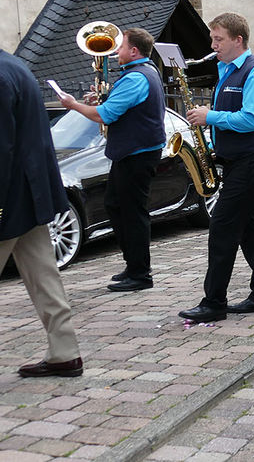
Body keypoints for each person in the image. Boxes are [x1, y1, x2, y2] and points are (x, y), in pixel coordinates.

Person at [179, 13, 254, 323]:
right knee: (251, 229)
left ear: (238, 40)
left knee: (222, 226)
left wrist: (210, 117)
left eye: (218, 39)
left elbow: (252, 119)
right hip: (237, 160)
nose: (212, 45)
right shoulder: (226, 70)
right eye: (212, 39)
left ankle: (214, 303)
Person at [59, 28, 166, 292]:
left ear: (134, 51)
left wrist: (73, 105)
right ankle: (133, 266)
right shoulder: (144, 72)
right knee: (116, 206)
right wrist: (100, 99)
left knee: (132, 212)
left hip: (136, 154)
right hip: (132, 152)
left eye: (120, 47)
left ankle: (140, 273)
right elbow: (118, 106)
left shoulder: (136, 78)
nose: (116, 52)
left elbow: (104, 116)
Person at [0, 49, 83, 377]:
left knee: (44, 274)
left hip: (9, 195)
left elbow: (1, 149)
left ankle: (65, 352)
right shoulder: (14, 66)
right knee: (44, 275)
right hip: (31, 192)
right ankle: (65, 351)